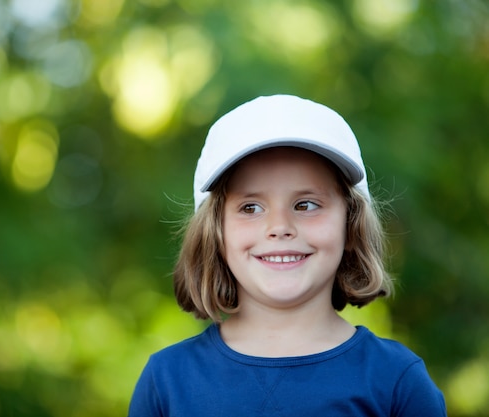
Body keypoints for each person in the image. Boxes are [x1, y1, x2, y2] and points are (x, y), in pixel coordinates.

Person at [128, 94, 446, 416]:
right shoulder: (167, 381)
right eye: (250, 208)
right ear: (216, 233)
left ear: (350, 225)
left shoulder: (396, 381)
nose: (279, 227)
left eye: (306, 205)